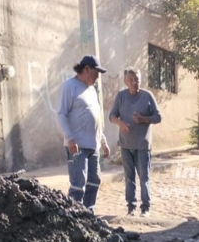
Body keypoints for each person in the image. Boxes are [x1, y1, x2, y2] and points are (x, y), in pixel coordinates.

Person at [57, 55, 110, 213]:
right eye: (96, 72)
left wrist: (103, 141)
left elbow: (96, 117)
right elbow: (61, 114)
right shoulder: (69, 87)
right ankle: (74, 216)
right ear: (87, 69)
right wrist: (69, 137)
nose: (98, 76)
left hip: (93, 145)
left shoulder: (92, 90)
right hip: (77, 145)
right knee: (79, 183)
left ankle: (88, 213)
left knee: (94, 181)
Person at [109, 68, 162, 217]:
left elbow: (158, 117)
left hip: (143, 145)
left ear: (140, 80)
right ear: (126, 81)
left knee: (144, 177)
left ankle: (145, 208)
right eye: (131, 79)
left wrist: (143, 119)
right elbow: (112, 115)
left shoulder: (147, 96)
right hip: (126, 144)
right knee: (129, 177)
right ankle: (131, 207)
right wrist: (120, 124)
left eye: (136, 79)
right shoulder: (121, 96)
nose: (134, 82)